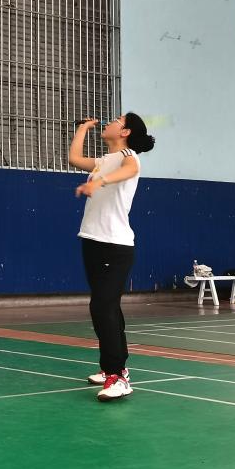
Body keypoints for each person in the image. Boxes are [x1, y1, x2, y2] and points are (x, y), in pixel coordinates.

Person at [68, 113, 155, 402]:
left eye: (117, 119)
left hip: (115, 245)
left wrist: (99, 182)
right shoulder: (103, 160)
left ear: (125, 131)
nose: (110, 122)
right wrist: (83, 129)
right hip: (92, 240)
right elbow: (75, 159)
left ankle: (118, 376)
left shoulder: (128, 156)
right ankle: (112, 368)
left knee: (102, 306)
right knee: (107, 308)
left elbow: (130, 170)